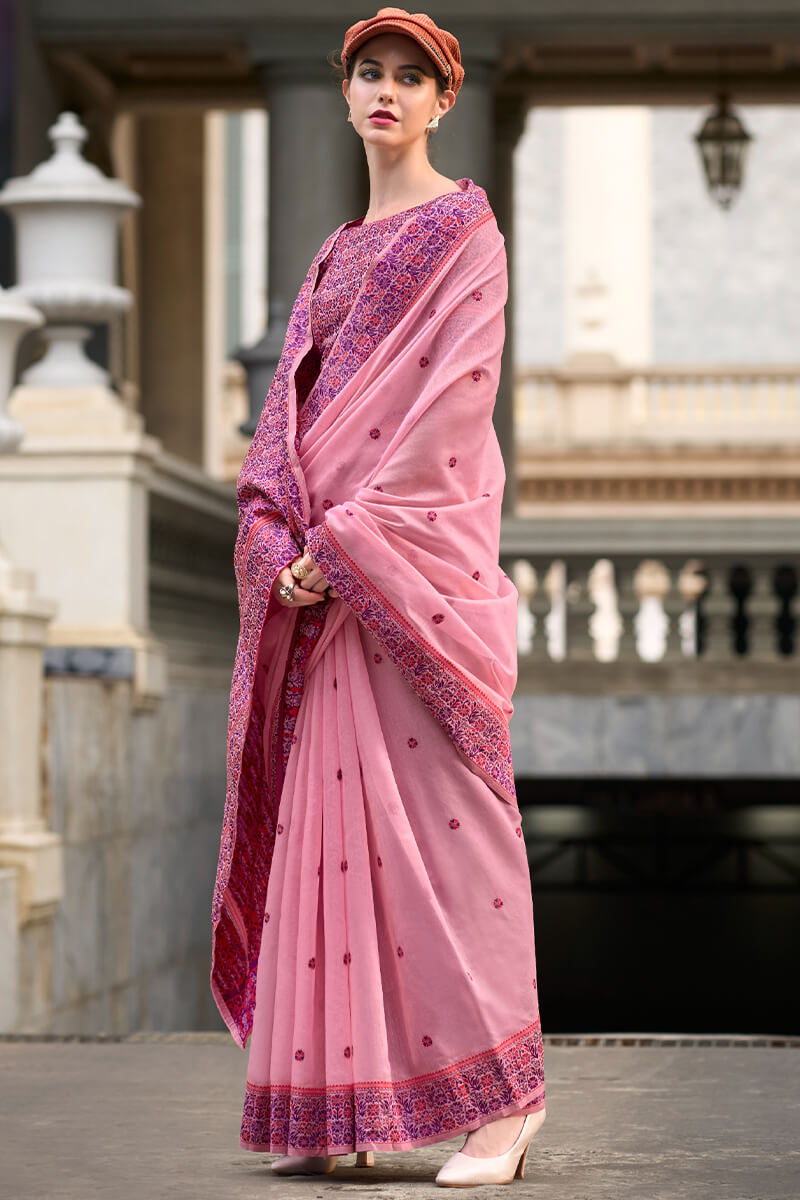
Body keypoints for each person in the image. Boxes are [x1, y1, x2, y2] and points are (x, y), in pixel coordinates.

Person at [210, 6, 546, 1188]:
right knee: (333, 849)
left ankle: (503, 1106)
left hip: (404, 585)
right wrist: (275, 544)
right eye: (370, 74)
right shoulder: (329, 255)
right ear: (345, 93)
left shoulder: (466, 234)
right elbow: (282, 430)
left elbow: (447, 418)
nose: (388, 92)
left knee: (454, 850)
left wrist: (344, 546)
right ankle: (337, 1107)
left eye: (411, 76)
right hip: (320, 600)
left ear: (443, 101)